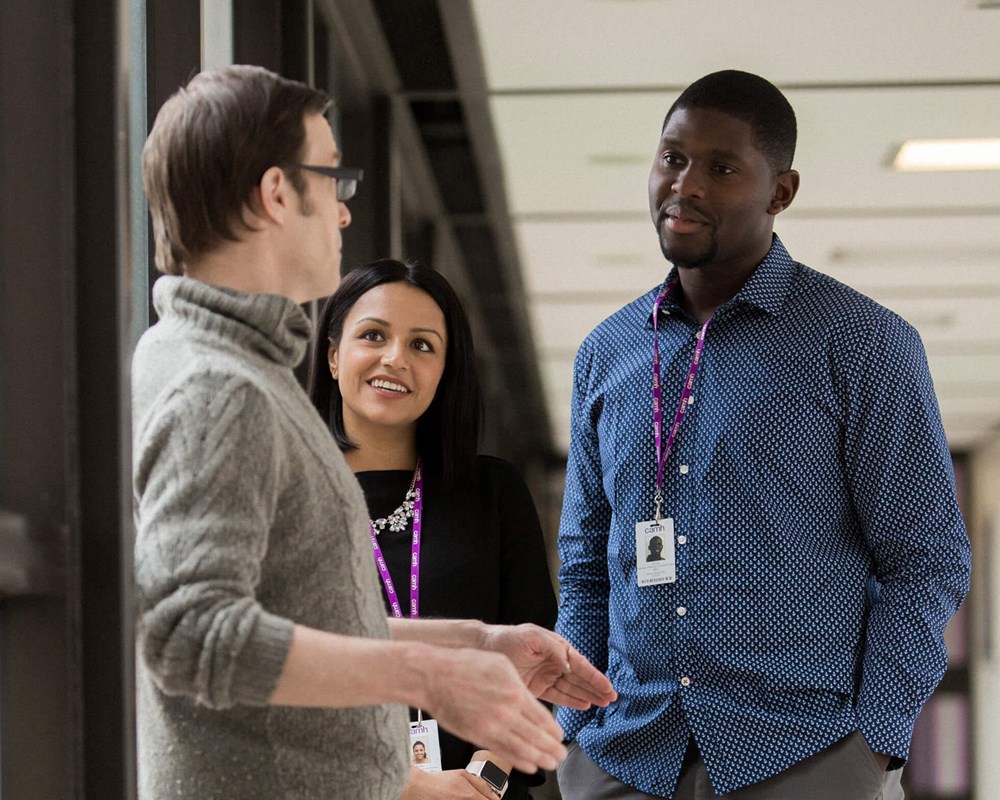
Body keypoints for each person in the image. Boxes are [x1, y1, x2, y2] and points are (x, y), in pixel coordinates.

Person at [132, 64, 615, 800]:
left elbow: (286, 625)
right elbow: (192, 636)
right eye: (333, 182)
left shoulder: (227, 367)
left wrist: (476, 644)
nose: (345, 213)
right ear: (276, 194)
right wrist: (429, 675)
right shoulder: (221, 385)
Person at [554, 70, 971, 800]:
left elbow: (927, 558)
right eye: (672, 158)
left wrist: (874, 743)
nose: (685, 185)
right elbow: (587, 562)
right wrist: (570, 726)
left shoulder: (861, 342)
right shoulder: (607, 352)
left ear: (781, 192)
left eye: (721, 168)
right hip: (623, 758)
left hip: (804, 756)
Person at [308, 258, 559, 799]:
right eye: (373, 335)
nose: (394, 358)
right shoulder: (287, 498)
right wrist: (409, 788)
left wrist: (483, 783)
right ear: (333, 355)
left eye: (422, 345)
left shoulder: (493, 492)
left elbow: (535, 664)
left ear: (446, 370)